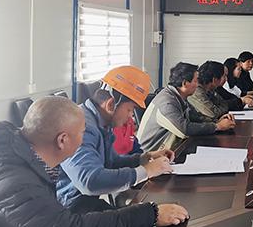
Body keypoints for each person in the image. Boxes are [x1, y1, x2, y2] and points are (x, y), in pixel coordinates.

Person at [0, 96, 188, 227]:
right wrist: (150, 214)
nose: (85, 139)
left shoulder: (24, 154)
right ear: (63, 140)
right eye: (82, 133)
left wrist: (141, 162)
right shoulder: (14, 184)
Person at [57, 66, 175, 213]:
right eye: (130, 110)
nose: (131, 117)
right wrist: (146, 171)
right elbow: (89, 181)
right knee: (145, 218)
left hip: (85, 201)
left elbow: (110, 162)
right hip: (70, 210)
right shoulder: (81, 127)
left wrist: (144, 159)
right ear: (111, 104)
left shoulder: (100, 123)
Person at [137, 62, 234, 152]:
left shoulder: (179, 96)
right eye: (196, 81)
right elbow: (184, 130)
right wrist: (217, 127)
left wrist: (217, 121)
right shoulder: (166, 102)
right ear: (185, 83)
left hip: (170, 149)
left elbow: (195, 116)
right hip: (152, 156)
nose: (198, 84)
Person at [187, 61, 236, 130]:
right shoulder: (196, 91)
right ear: (214, 80)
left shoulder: (209, 90)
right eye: (224, 76)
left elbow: (224, 104)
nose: (226, 79)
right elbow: (213, 114)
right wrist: (216, 120)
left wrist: (216, 120)